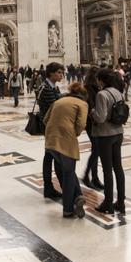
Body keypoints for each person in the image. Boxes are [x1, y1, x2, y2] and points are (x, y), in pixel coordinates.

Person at [43, 82, 88, 218]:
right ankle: (68, 210)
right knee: (68, 174)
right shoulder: (82, 104)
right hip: (66, 139)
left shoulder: (59, 100)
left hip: (50, 139)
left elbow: (45, 119)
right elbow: (81, 124)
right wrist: (74, 133)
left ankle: (78, 196)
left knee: (67, 170)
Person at [91, 68, 126, 215]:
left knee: (107, 169)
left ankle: (108, 202)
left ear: (101, 80)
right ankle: (121, 202)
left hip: (105, 135)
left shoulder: (101, 94)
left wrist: (92, 111)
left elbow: (100, 117)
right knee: (118, 168)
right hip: (118, 133)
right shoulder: (118, 92)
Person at [38, 62, 65, 199]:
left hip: (53, 125)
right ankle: (53, 186)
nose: (61, 75)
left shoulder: (53, 87)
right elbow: (56, 107)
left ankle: (49, 186)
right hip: (49, 125)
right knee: (53, 156)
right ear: (51, 73)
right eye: (59, 72)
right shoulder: (47, 88)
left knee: (50, 156)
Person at [82, 66, 104, 190]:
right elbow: (91, 106)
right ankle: (87, 176)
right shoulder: (89, 89)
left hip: (94, 122)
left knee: (96, 150)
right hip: (92, 123)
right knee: (96, 149)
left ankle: (94, 178)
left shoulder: (94, 88)